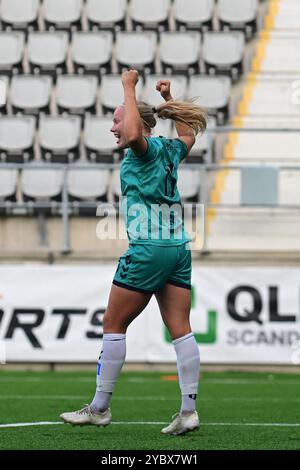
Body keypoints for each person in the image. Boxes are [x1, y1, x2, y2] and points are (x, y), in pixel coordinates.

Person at [60, 70, 206, 435]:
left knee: (113, 325)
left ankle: (99, 408)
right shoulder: (171, 149)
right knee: (181, 330)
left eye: (117, 118)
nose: (113, 128)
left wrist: (129, 87)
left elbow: (132, 136)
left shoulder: (142, 150)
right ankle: (188, 411)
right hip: (178, 248)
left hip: (149, 249)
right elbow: (188, 133)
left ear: (136, 123)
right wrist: (170, 101)